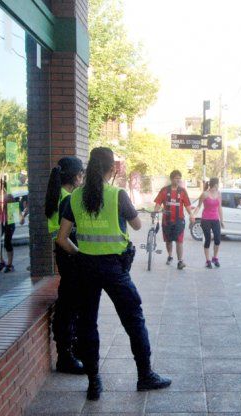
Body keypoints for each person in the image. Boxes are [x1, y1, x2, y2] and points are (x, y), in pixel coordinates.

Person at [56, 147, 170, 401]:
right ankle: (145, 376)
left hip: (86, 268)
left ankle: (94, 382)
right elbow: (137, 224)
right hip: (114, 270)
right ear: (113, 169)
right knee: (133, 319)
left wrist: (80, 254)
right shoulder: (117, 194)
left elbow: (62, 239)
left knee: (87, 324)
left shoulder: (74, 197)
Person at [44, 157, 85, 375]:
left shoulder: (57, 194)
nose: (83, 178)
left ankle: (69, 352)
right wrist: (79, 255)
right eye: (81, 174)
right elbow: (63, 237)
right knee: (69, 307)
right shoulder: (67, 199)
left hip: (63, 256)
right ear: (76, 176)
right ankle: (66, 357)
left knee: (69, 305)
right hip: (69, 255)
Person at [153, 170, 195, 270]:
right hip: (166, 221)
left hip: (179, 221)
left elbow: (187, 205)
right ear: (172, 179)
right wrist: (154, 213)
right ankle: (170, 255)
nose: (178, 180)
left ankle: (180, 261)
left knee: (179, 241)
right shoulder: (164, 190)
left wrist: (191, 215)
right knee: (168, 241)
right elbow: (158, 203)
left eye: (179, 178)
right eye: (176, 178)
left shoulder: (183, 191)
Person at [193, 177, 224, 268]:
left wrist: (221, 220)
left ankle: (215, 257)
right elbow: (198, 206)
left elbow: (219, 207)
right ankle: (208, 260)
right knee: (207, 239)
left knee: (218, 239)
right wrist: (193, 215)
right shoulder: (205, 194)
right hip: (206, 219)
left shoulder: (219, 194)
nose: (219, 185)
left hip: (215, 219)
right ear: (215, 185)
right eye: (219, 184)